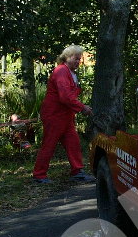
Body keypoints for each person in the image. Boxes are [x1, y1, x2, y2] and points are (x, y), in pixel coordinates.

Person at [32, 45, 96, 184]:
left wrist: (79, 107)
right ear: (67, 58)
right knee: (49, 144)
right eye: (75, 58)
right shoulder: (61, 71)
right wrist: (82, 107)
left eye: (79, 59)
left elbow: (69, 96)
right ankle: (39, 175)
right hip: (54, 114)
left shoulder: (70, 72)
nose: (78, 61)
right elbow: (65, 96)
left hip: (65, 115)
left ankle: (77, 172)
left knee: (73, 142)